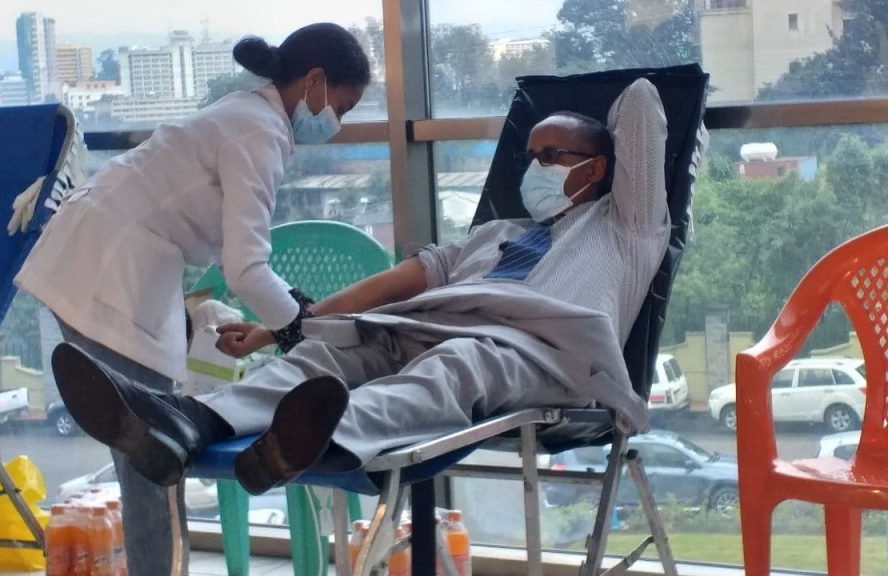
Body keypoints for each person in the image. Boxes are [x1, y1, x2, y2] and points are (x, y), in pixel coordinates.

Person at [50, 78, 670, 502]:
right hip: (425, 326)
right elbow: (391, 285)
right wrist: (279, 330)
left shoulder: (628, 227)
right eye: (529, 157)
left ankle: (320, 439)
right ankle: (191, 421)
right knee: (329, 354)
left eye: (551, 155)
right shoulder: (493, 235)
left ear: (597, 167)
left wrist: (588, 114)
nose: (534, 168)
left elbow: (642, 101)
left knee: (458, 364)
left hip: (538, 351)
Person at [14, 23, 371, 576]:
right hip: (113, 271)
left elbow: (199, 231)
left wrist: (277, 327)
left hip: (92, 258)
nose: (336, 124)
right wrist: (303, 332)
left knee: (150, 451)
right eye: (341, 108)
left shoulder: (245, 114)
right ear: (315, 80)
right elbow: (247, 269)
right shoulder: (259, 134)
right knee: (152, 463)